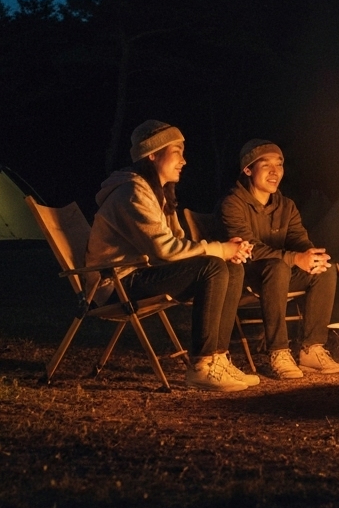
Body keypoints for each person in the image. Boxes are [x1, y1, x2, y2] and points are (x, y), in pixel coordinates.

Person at [88, 120, 256, 392]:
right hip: (116, 285)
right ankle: (201, 366)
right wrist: (218, 249)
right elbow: (164, 249)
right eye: (177, 152)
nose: (184, 161)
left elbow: (177, 243)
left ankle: (218, 358)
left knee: (230, 267)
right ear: (152, 154)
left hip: (141, 273)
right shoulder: (131, 192)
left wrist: (226, 250)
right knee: (212, 267)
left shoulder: (158, 193)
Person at [220, 139, 339, 379]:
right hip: (246, 275)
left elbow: (299, 240)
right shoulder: (233, 203)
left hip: (281, 272)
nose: (274, 171)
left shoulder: (286, 206)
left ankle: (312, 348)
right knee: (278, 267)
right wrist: (295, 258)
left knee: (325, 270)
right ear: (248, 170)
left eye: (279, 164)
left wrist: (311, 256)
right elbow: (249, 249)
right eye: (266, 165)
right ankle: (278, 351)